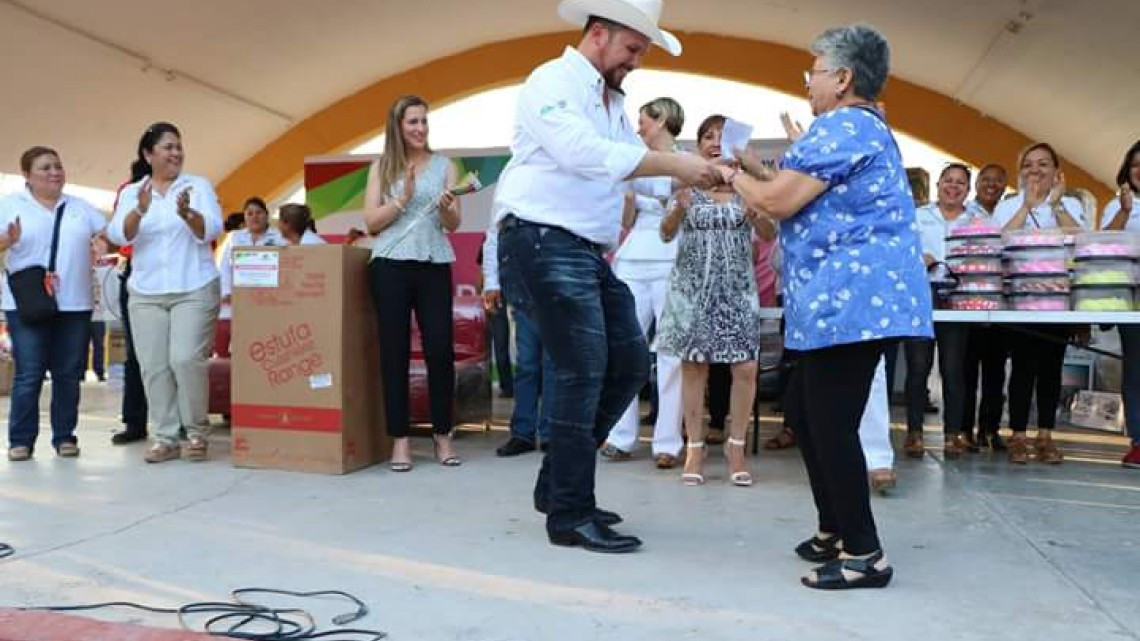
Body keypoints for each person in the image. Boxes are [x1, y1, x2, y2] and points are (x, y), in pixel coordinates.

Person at [493, 0, 721, 554]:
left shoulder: (613, 103)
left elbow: (625, 170)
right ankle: (570, 511)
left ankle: (559, 484)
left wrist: (693, 171)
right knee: (583, 370)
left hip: (585, 250)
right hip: (543, 237)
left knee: (626, 362)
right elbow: (580, 153)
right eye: (632, 49)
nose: (636, 62)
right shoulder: (550, 81)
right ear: (598, 34)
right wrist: (674, 164)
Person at [729, 24, 932, 588]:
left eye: (813, 73)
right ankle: (834, 527)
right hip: (849, 300)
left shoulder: (841, 124)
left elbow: (776, 199)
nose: (809, 84)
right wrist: (757, 175)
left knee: (830, 421)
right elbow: (798, 198)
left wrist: (729, 174)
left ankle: (866, 554)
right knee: (801, 408)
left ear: (842, 79)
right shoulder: (861, 127)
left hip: (855, 301)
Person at [107, 122, 224, 464]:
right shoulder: (133, 191)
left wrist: (188, 213)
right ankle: (165, 436)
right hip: (146, 291)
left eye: (178, 146)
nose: (175, 153)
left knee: (186, 359)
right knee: (154, 365)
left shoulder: (197, 185)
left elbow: (211, 230)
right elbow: (120, 236)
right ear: (148, 154)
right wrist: (140, 209)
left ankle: (197, 432)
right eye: (167, 147)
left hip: (194, 286)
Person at [657, 114, 764, 487]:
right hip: (692, 289)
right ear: (698, 144)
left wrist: (757, 214)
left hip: (736, 290)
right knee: (693, 367)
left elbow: (768, 232)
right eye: (708, 136)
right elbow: (665, 234)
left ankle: (736, 449)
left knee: (746, 368)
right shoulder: (687, 183)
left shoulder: (748, 186)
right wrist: (680, 209)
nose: (715, 143)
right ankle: (695, 450)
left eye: (723, 137)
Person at [363, 95, 462, 472]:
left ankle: (442, 434)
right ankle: (400, 439)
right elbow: (371, 222)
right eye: (412, 123)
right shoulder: (381, 168)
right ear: (398, 127)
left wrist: (447, 206)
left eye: (424, 122)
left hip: (434, 262)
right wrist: (403, 197)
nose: (420, 129)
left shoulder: (444, 166)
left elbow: (453, 225)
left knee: (440, 350)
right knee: (394, 353)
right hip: (390, 264)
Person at [0, 147, 108, 461]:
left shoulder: (79, 207)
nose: (54, 173)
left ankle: (64, 436)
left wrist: (101, 242)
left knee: (68, 373)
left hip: (74, 302)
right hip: (27, 303)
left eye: (58, 166)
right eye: (45, 168)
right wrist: (8, 241)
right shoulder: (9, 205)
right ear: (27, 176)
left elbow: (105, 234)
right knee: (29, 373)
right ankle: (20, 439)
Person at [601, 97, 686, 468]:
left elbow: (679, 205)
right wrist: (628, 190)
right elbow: (626, 219)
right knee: (625, 348)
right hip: (633, 257)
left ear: (662, 119)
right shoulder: (633, 158)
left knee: (670, 352)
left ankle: (667, 443)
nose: (638, 129)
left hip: (672, 257)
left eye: (644, 122)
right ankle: (621, 436)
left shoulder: (685, 160)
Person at [993, 142, 1085, 465]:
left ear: (1056, 171)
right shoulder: (1009, 205)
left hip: (1057, 301)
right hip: (1020, 299)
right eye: (1028, 165)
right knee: (1021, 368)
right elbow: (999, 241)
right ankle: (1017, 435)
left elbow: (1080, 240)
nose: (1035, 170)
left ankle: (1045, 435)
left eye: (1043, 164)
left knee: (1051, 368)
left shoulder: (1070, 203)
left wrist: (1056, 206)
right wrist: (1026, 207)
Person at [904, 164, 976, 459]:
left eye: (960, 183)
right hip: (922, 296)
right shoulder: (919, 216)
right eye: (948, 181)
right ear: (938, 185)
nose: (953, 187)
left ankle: (952, 434)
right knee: (918, 367)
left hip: (959, 298)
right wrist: (919, 258)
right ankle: (914, 433)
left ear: (967, 190)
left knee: (953, 369)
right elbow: (901, 250)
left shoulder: (976, 220)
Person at [482, 227, 554, 456]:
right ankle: (523, 434)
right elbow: (493, 235)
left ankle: (551, 434)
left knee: (553, 367)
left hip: (558, 288)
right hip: (522, 289)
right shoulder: (510, 192)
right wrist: (491, 283)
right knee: (528, 366)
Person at [963, 164, 1010, 451]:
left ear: (1005, 186)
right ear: (977, 184)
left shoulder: (1010, 213)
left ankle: (990, 429)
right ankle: (964, 429)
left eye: (998, 180)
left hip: (1001, 302)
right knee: (966, 371)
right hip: (971, 301)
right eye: (986, 179)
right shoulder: (965, 214)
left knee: (995, 373)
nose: (991, 185)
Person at [1100, 140, 1140, 468]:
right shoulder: (1118, 206)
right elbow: (1104, 246)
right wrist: (1126, 211)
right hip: (1133, 300)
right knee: (1136, 370)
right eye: (1136, 164)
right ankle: (1139, 440)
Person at [217, 197, 284, 310]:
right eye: (250, 213)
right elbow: (224, 267)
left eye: (259, 212)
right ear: (245, 217)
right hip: (238, 297)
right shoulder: (234, 236)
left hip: (270, 297)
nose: (254, 217)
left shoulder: (279, 237)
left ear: (266, 215)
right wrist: (226, 292)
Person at [476, 240, 514, 399]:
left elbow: (481, 274)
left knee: (501, 343)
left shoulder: (489, 241)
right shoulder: (490, 240)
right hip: (499, 294)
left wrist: (482, 290)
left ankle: (507, 387)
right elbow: (481, 272)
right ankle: (507, 386)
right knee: (501, 343)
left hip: (500, 293)